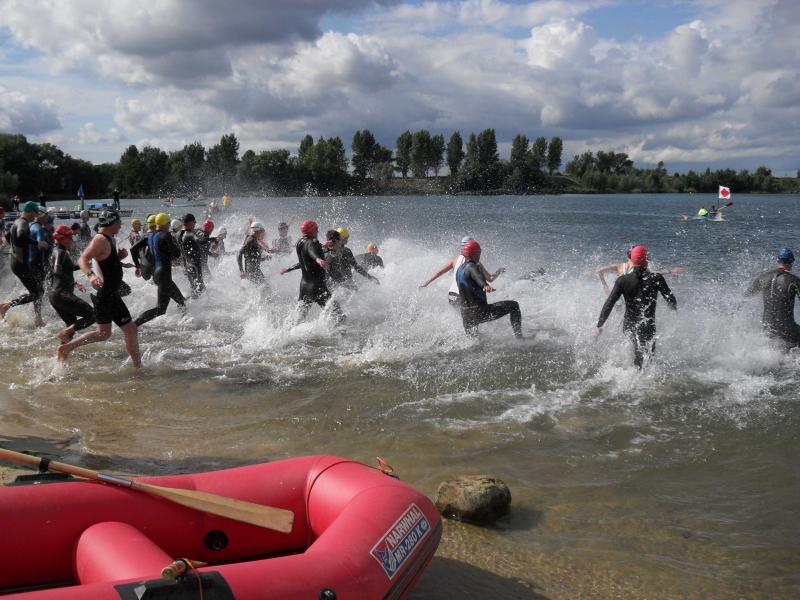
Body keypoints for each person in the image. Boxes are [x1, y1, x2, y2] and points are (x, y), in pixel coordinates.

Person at [56, 210, 141, 368]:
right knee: (131, 330)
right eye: (118, 222)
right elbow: (83, 259)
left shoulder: (107, 239)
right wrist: (90, 275)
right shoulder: (100, 239)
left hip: (106, 294)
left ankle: (66, 348)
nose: (120, 225)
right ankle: (139, 368)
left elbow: (103, 261)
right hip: (108, 294)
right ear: (111, 223)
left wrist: (118, 257)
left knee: (103, 333)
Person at [596, 245, 677, 369]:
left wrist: (599, 325)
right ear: (646, 261)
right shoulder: (657, 278)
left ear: (632, 261)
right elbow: (671, 299)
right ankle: (642, 375)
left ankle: (630, 372)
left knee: (636, 350)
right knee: (648, 357)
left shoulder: (622, 280)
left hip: (629, 324)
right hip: (648, 324)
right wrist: (674, 310)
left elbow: (609, 303)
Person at [456, 240, 522, 339]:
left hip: (465, 315)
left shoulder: (459, 269)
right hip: (479, 312)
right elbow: (477, 276)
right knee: (514, 305)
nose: (480, 255)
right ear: (476, 253)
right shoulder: (473, 267)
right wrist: (485, 285)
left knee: (474, 341)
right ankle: (520, 338)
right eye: (479, 252)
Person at [280, 219, 343, 323]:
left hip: (304, 287)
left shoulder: (300, 242)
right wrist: (318, 259)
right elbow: (311, 251)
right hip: (317, 287)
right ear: (313, 231)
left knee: (299, 319)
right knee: (338, 315)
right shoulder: (313, 243)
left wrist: (289, 269)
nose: (317, 232)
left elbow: (307, 255)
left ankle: (287, 330)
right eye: (316, 230)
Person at [420, 236, 505, 307]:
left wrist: (426, 282)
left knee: (461, 317)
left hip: (451, 296)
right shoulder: (475, 263)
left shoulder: (454, 260)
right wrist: (499, 271)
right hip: (462, 297)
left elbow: (439, 273)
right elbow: (490, 278)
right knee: (473, 315)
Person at [133, 212, 185, 328]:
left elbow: (133, 249)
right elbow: (177, 254)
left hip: (157, 274)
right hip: (164, 275)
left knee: (182, 301)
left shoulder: (150, 236)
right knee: (161, 309)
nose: (169, 225)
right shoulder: (166, 235)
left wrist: (137, 265)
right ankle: (134, 324)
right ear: (165, 224)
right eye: (168, 223)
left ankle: (182, 324)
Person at [0, 201, 48, 325]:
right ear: (30, 211)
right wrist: (37, 243)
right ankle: (6, 306)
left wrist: (15, 248)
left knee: (37, 290)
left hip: (16, 261)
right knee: (37, 292)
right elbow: (21, 235)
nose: (35, 216)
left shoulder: (16, 221)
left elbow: (7, 235)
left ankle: (37, 318)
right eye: (35, 213)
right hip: (20, 263)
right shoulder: (23, 223)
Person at [744, 248, 800, 349]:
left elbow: (745, 297)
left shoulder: (762, 278)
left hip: (767, 328)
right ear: (791, 261)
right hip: (788, 328)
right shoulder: (794, 280)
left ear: (778, 260)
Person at [48, 225, 95, 342]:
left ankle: (62, 349)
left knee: (71, 324)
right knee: (92, 315)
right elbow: (57, 270)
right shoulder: (61, 252)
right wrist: (74, 282)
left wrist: (83, 266)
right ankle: (64, 334)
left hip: (55, 295)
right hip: (62, 294)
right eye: (70, 238)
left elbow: (66, 269)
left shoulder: (56, 251)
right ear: (63, 239)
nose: (72, 240)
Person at [596, 246, 685, 295]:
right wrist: (605, 286)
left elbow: (599, 271)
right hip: (625, 296)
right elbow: (654, 274)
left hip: (623, 295)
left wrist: (605, 285)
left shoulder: (620, 266)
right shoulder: (622, 266)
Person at [177, 213, 204, 298]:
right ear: (190, 223)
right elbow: (197, 238)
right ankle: (186, 302)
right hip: (194, 266)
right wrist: (200, 235)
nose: (195, 223)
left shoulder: (178, 234)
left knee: (194, 289)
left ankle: (186, 302)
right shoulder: (190, 234)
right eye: (194, 222)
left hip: (187, 265)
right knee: (200, 290)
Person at [237, 221, 270, 286]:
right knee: (265, 288)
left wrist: (264, 258)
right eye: (262, 231)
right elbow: (239, 253)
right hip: (252, 271)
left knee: (263, 288)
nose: (263, 233)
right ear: (258, 230)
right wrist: (241, 271)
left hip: (255, 270)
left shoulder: (254, 239)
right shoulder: (250, 239)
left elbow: (252, 257)